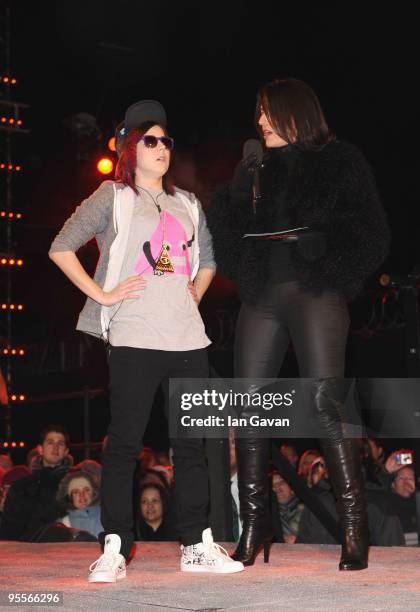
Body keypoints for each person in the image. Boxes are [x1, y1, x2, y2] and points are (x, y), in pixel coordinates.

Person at [49, 99, 244, 582]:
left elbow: (209, 263)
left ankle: (196, 545)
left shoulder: (190, 204)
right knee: (125, 446)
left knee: (192, 446)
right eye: (151, 140)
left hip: (188, 342)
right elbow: (61, 247)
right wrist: (104, 293)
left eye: (166, 141)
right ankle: (115, 544)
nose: (161, 148)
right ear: (131, 149)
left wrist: (189, 299)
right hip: (134, 337)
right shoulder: (113, 196)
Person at [208, 78, 389, 570]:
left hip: (316, 290)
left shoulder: (339, 160)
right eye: (258, 113)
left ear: (293, 114)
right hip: (263, 294)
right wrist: (236, 192)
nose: (259, 121)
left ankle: (355, 527)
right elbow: (224, 237)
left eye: (267, 112)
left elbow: (373, 234)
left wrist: (327, 253)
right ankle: (254, 526)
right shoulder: (255, 167)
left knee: (326, 402)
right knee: (247, 405)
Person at [0, 425, 74, 541]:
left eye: (60, 443)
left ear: (66, 451)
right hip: (28, 551)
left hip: (67, 548)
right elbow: (9, 525)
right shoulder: (22, 486)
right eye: (50, 442)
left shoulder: (75, 484)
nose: (55, 447)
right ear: (40, 449)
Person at [56, 470, 103, 539]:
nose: (82, 495)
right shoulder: (63, 525)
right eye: (76, 492)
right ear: (70, 497)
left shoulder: (107, 516)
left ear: (94, 493)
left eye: (86, 490)